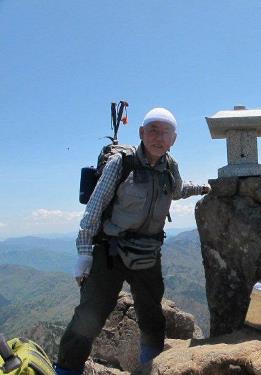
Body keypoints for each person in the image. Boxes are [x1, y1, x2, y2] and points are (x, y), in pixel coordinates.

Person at [55, 108, 210, 375]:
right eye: (152, 130)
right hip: (110, 251)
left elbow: (177, 190)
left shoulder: (170, 167)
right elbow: (94, 208)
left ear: (174, 138)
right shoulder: (122, 164)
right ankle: (67, 370)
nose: (158, 137)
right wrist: (84, 254)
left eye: (165, 132)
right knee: (89, 317)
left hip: (148, 252)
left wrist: (203, 189)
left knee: (151, 314)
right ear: (141, 133)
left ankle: (151, 365)